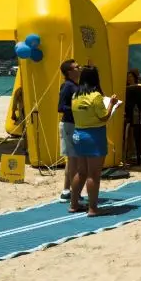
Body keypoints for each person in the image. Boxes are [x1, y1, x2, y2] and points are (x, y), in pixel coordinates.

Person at [69, 66, 120, 216]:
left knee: (81, 172)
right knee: (94, 174)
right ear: (95, 79)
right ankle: (92, 208)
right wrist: (112, 103)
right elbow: (103, 117)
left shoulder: (75, 95)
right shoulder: (96, 96)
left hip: (78, 134)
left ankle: (74, 204)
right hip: (94, 135)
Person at [57, 59, 81, 200]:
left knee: (72, 159)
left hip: (74, 124)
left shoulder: (75, 85)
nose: (80, 68)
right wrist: (78, 109)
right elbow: (60, 107)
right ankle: (73, 191)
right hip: (69, 125)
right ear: (69, 72)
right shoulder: (67, 86)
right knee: (73, 159)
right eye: (77, 67)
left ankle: (67, 190)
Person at [124, 70, 141, 166]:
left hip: (136, 114)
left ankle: (137, 155)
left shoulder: (139, 87)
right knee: (128, 135)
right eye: (128, 76)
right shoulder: (125, 88)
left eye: (131, 76)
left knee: (136, 134)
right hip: (127, 113)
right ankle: (129, 153)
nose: (129, 78)